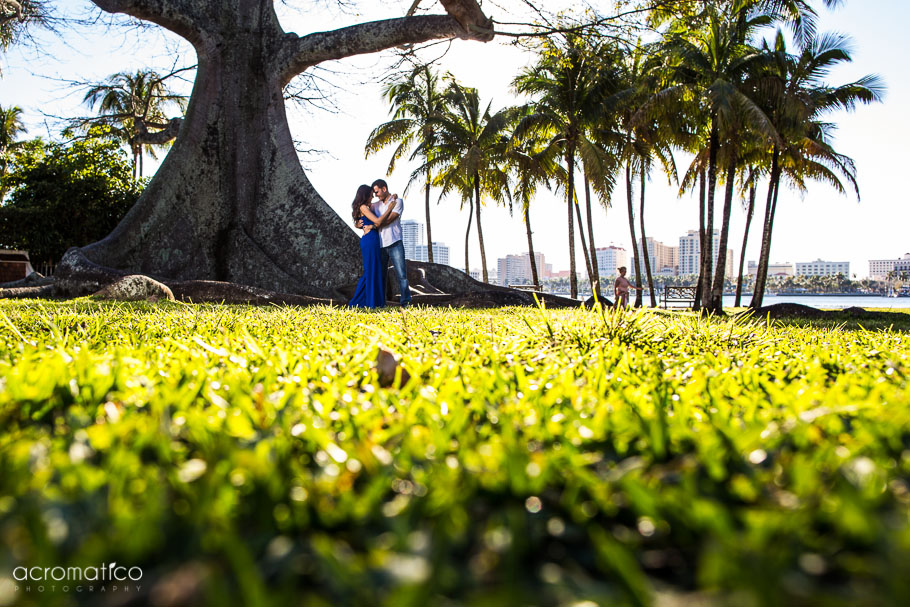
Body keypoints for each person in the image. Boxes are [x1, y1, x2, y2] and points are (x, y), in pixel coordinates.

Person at [348, 184, 395, 309]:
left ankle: (374, 302)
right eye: (370, 194)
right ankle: (361, 302)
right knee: (371, 271)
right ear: (365, 194)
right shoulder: (363, 207)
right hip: (370, 240)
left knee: (374, 270)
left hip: (372, 239)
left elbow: (361, 223)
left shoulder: (366, 207)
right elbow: (378, 221)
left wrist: (392, 198)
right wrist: (390, 208)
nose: (372, 196)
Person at [370, 178, 412, 307]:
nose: (375, 195)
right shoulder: (375, 205)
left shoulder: (397, 202)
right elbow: (362, 210)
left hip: (395, 243)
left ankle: (405, 303)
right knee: (382, 276)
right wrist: (357, 223)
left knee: (402, 275)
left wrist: (377, 223)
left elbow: (388, 221)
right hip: (381, 245)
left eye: (377, 192)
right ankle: (381, 303)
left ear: (384, 189)